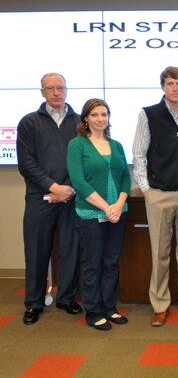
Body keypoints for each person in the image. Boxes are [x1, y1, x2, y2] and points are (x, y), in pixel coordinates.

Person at [132, 66, 178, 327]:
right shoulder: (148, 114)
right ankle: (160, 303)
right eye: (171, 83)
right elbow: (138, 154)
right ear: (163, 86)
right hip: (159, 194)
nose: (175, 88)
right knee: (160, 252)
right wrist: (147, 189)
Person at [16, 73, 82, 325]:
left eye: (60, 87)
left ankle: (66, 298)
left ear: (67, 90)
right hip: (39, 197)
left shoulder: (79, 122)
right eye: (50, 88)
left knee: (70, 248)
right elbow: (27, 163)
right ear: (42, 92)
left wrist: (67, 188)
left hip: (72, 196)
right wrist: (53, 187)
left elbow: (84, 160)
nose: (56, 92)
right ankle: (33, 303)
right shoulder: (29, 122)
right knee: (36, 251)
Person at [67, 99, 130, 331]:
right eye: (95, 115)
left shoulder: (117, 145)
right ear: (86, 118)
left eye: (104, 114)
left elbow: (125, 177)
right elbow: (79, 182)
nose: (100, 119)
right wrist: (106, 207)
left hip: (117, 212)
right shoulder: (77, 145)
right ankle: (94, 311)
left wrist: (119, 204)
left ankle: (109, 306)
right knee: (92, 264)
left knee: (111, 262)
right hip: (91, 213)